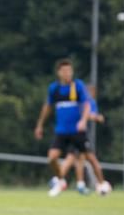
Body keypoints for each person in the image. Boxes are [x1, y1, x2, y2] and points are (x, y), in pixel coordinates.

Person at [33, 58, 90, 197]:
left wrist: (83, 120)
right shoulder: (54, 88)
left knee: (85, 157)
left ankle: (96, 184)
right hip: (61, 131)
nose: (67, 73)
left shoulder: (78, 86)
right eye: (64, 71)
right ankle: (61, 180)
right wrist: (40, 125)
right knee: (52, 158)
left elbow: (87, 105)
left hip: (77, 131)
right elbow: (47, 107)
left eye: (69, 70)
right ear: (59, 72)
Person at [61, 84, 112, 196]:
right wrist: (97, 117)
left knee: (77, 158)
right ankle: (102, 184)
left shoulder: (79, 100)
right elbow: (88, 115)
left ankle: (79, 184)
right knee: (91, 159)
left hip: (71, 133)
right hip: (79, 134)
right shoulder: (88, 101)